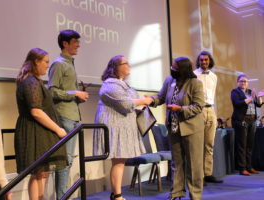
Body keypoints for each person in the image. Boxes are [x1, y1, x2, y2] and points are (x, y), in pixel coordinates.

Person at [93, 55, 153, 200]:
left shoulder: (123, 84)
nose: (129, 65)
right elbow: (126, 104)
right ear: (115, 67)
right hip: (115, 128)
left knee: (120, 161)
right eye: (125, 63)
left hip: (123, 127)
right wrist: (143, 100)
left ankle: (116, 194)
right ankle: (117, 195)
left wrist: (139, 106)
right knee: (118, 161)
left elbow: (130, 102)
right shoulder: (110, 84)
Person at [15, 48, 67, 200]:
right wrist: (58, 129)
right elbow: (36, 111)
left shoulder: (33, 81)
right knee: (38, 173)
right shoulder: (30, 82)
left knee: (41, 173)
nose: (47, 65)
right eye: (46, 62)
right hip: (34, 132)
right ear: (36, 62)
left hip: (39, 131)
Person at [150, 57, 205, 200]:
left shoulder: (195, 83)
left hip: (192, 129)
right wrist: (150, 100)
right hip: (174, 128)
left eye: (175, 67)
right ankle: (176, 192)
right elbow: (160, 97)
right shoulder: (169, 81)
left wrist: (180, 109)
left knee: (194, 165)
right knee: (176, 162)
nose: (172, 68)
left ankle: (195, 195)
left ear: (183, 69)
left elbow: (198, 106)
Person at [48, 29, 89, 199]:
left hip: (72, 115)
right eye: (75, 42)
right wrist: (75, 94)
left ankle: (62, 196)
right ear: (65, 43)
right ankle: (62, 197)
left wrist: (78, 97)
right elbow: (52, 91)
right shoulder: (59, 64)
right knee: (65, 161)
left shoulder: (69, 63)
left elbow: (63, 91)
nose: (78, 45)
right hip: (64, 116)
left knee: (69, 160)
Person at [194, 51, 223, 184]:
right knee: (198, 145)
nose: (204, 62)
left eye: (206, 60)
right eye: (201, 60)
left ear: (210, 61)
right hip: (198, 110)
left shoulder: (214, 76)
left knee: (209, 144)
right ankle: (199, 176)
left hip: (211, 110)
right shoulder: (194, 75)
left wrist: (214, 113)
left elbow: (212, 95)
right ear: (198, 61)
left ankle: (208, 173)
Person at [230, 74, 264, 176]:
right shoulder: (235, 92)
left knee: (250, 145)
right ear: (238, 82)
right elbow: (238, 103)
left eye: (245, 81)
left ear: (248, 83)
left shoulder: (250, 92)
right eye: (241, 81)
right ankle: (242, 168)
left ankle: (249, 166)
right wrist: (251, 98)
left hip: (252, 120)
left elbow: (258, 104)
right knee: (242, 145)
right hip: (241, 120)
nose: (243, 83)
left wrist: (260, 97)